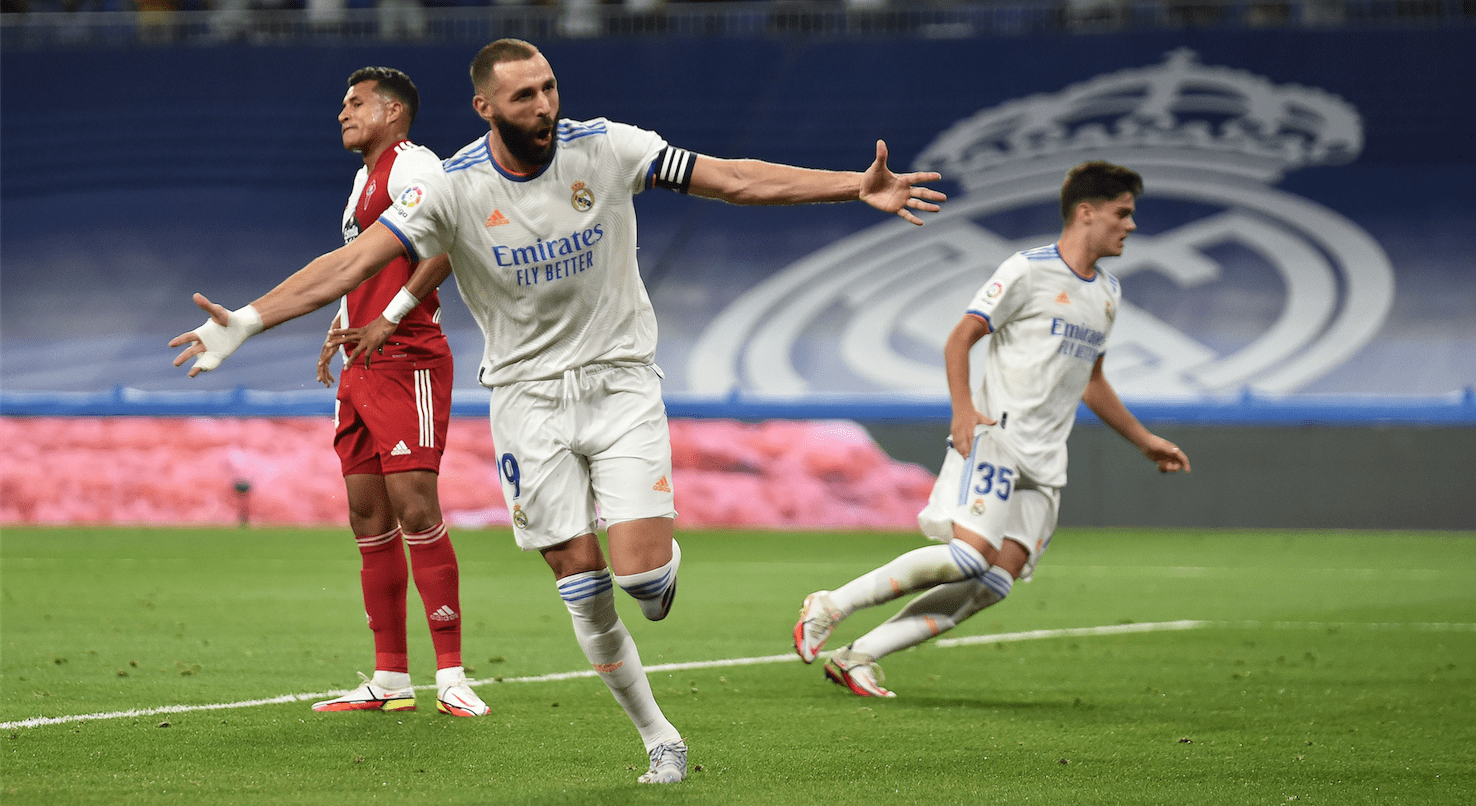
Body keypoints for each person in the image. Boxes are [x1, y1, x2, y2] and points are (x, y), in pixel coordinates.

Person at [169, 37, 946, 784]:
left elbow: (732, 178)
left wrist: (853, 183)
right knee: (577, 573)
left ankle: (654, 573)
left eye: (549, 88)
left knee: (641, 582)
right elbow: (349, 263)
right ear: (486, 107)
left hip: (618, 382)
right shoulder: (453, 186)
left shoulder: (607, 146)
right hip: (525, 400)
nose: (545, 105)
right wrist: (245, 320)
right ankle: (658, 735)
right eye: (525, 95)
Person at [793, 160, 1191, 698]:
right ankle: (831, 604)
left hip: (1046, 459)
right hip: (996, 434)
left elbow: (1091, 380)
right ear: (1086, 212)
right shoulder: (1028, 271)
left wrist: (1145, 441)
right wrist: (963, 411)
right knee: (969, 555)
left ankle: (860, 655)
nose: (1131, 225)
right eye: (1123, 213)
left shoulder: (1107, 295)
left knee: (992, 583)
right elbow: (960, 338)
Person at [295, 67, 486, 719]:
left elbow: (449, 243)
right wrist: (341, 324)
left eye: (356, 103)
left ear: (394, 112)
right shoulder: (362, 182)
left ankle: (455, 675)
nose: (342, 113)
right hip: (362, 360)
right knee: (367, 516)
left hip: (407, 357)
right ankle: (390, 678)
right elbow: (360, 267)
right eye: (342, 103)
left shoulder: (416, 166)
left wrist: (391, 316)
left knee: (416, 506)